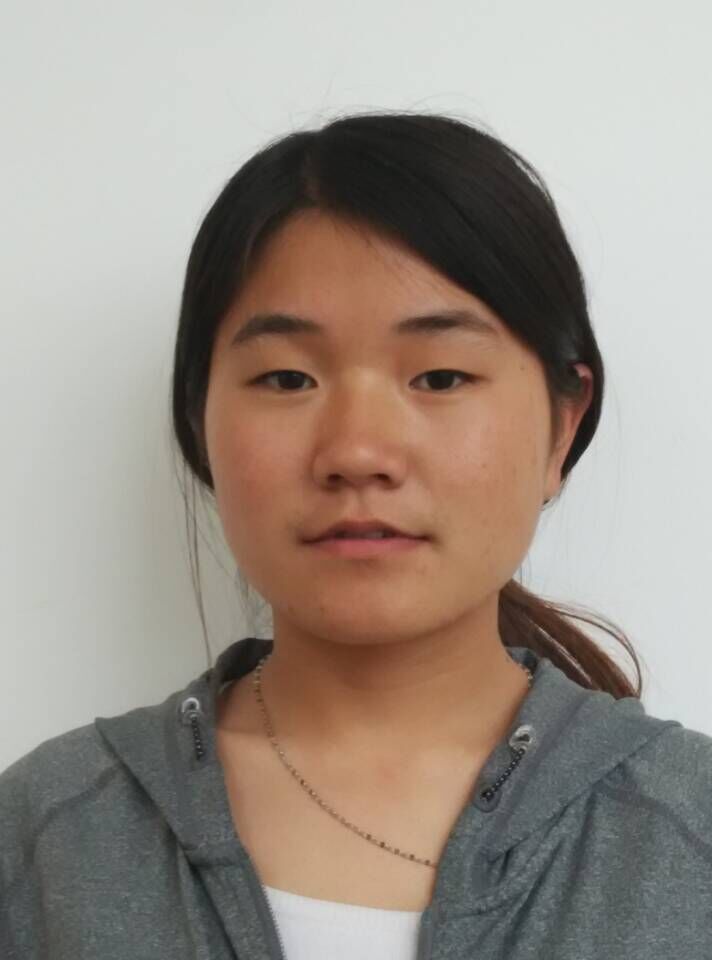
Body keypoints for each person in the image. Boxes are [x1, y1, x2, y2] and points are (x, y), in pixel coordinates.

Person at [1, 110, 710, 960]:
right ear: (200, 422)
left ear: (563, 426)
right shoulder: (47, 841)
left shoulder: (687, 833)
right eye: (286, 378)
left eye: (440, 376)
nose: (357, 453)